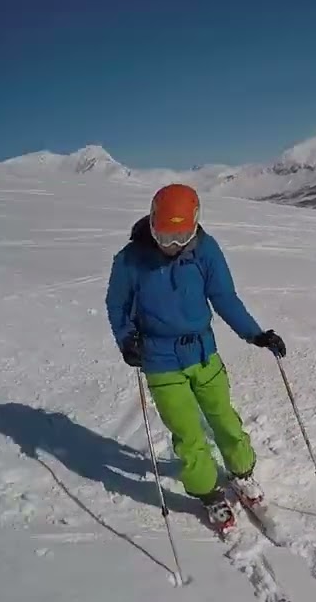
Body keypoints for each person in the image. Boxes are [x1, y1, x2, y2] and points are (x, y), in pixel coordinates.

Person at [104, 183, 287, 535]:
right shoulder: (129, 260)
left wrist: (256, 334)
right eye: (165, 236)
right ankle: (207, 493)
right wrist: (127, 341)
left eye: (182, 236)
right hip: (159, 359)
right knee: (188, 434)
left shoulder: (206, 250)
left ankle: (242, 474)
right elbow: (117, 306)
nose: (172, 246)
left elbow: (224, 298)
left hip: (203, 352)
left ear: (196, 225)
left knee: (225, 419)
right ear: (152, 223)